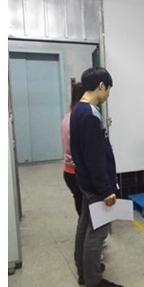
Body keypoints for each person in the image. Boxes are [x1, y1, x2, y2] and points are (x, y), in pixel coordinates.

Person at [70, 68, 124, 287]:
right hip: (96, 185)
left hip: (85, 181)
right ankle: (93, 282)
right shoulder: (90, 115)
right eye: (108, 89)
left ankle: (84, 271)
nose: (108, 94)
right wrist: (106, 189)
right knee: (97, 232)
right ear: (101, 85)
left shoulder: (78, 110)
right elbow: (95, 158)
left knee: (84, 226)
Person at [60, 81, 85, 216]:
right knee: (86, 213)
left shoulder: (68, 116)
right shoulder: (76, 119)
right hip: (77, 173)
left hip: (70, 171)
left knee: (82, 209)